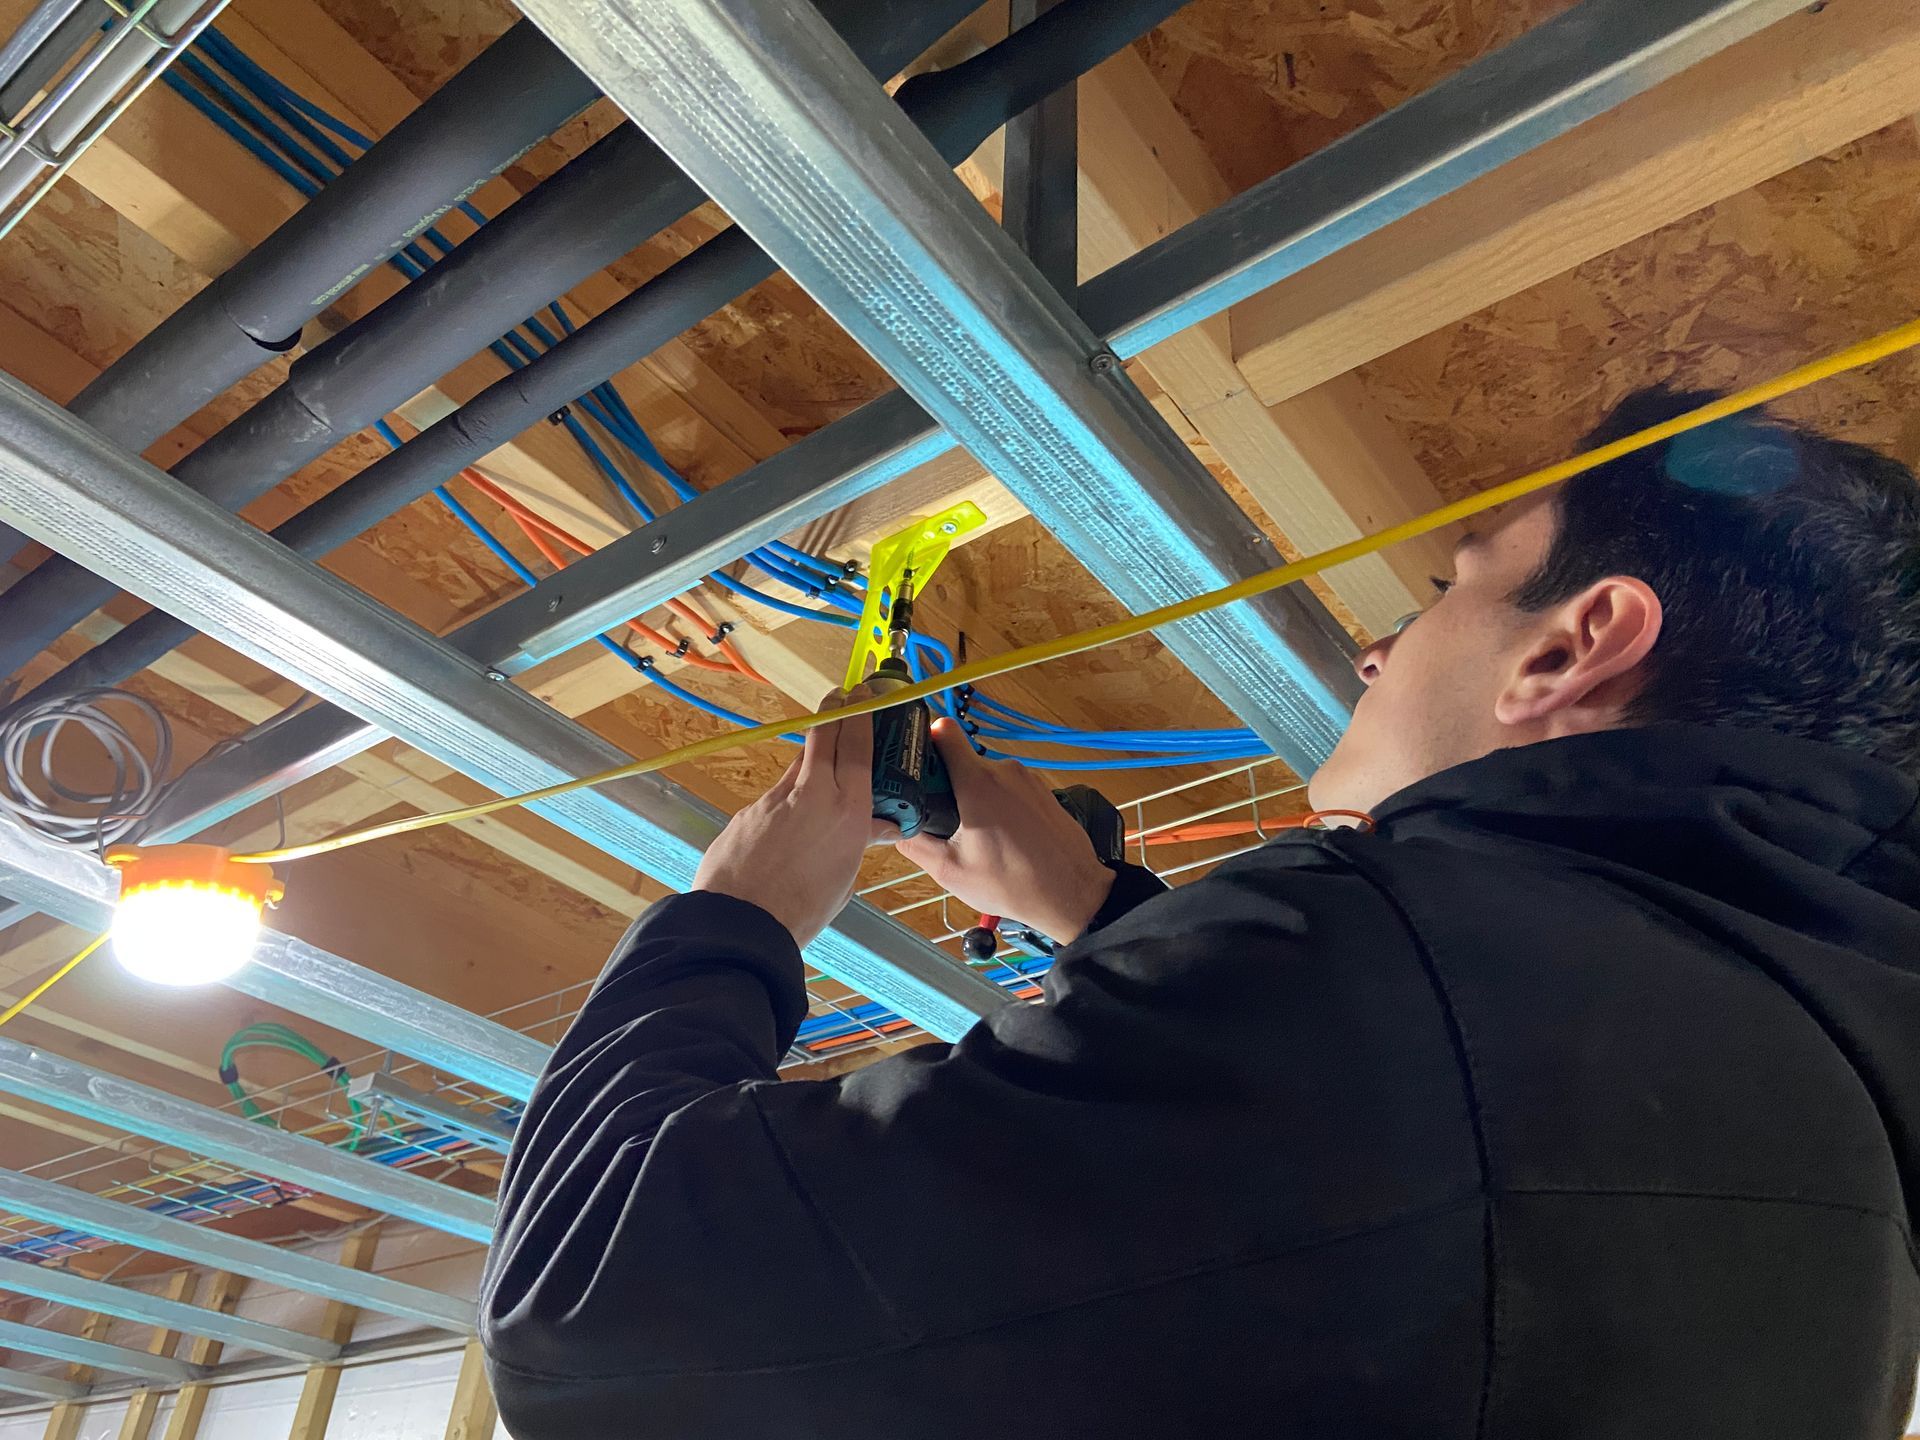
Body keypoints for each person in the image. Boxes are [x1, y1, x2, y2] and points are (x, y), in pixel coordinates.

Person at [479, 388, 1920, 1439]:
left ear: (1572, 645)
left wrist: (736, 913)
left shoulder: (1380, 961)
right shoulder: (1827, 1099)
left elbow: (594, 1307)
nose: (1373, 647)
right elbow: (1403, 1229)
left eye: (1443, 592)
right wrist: (1101, 912)